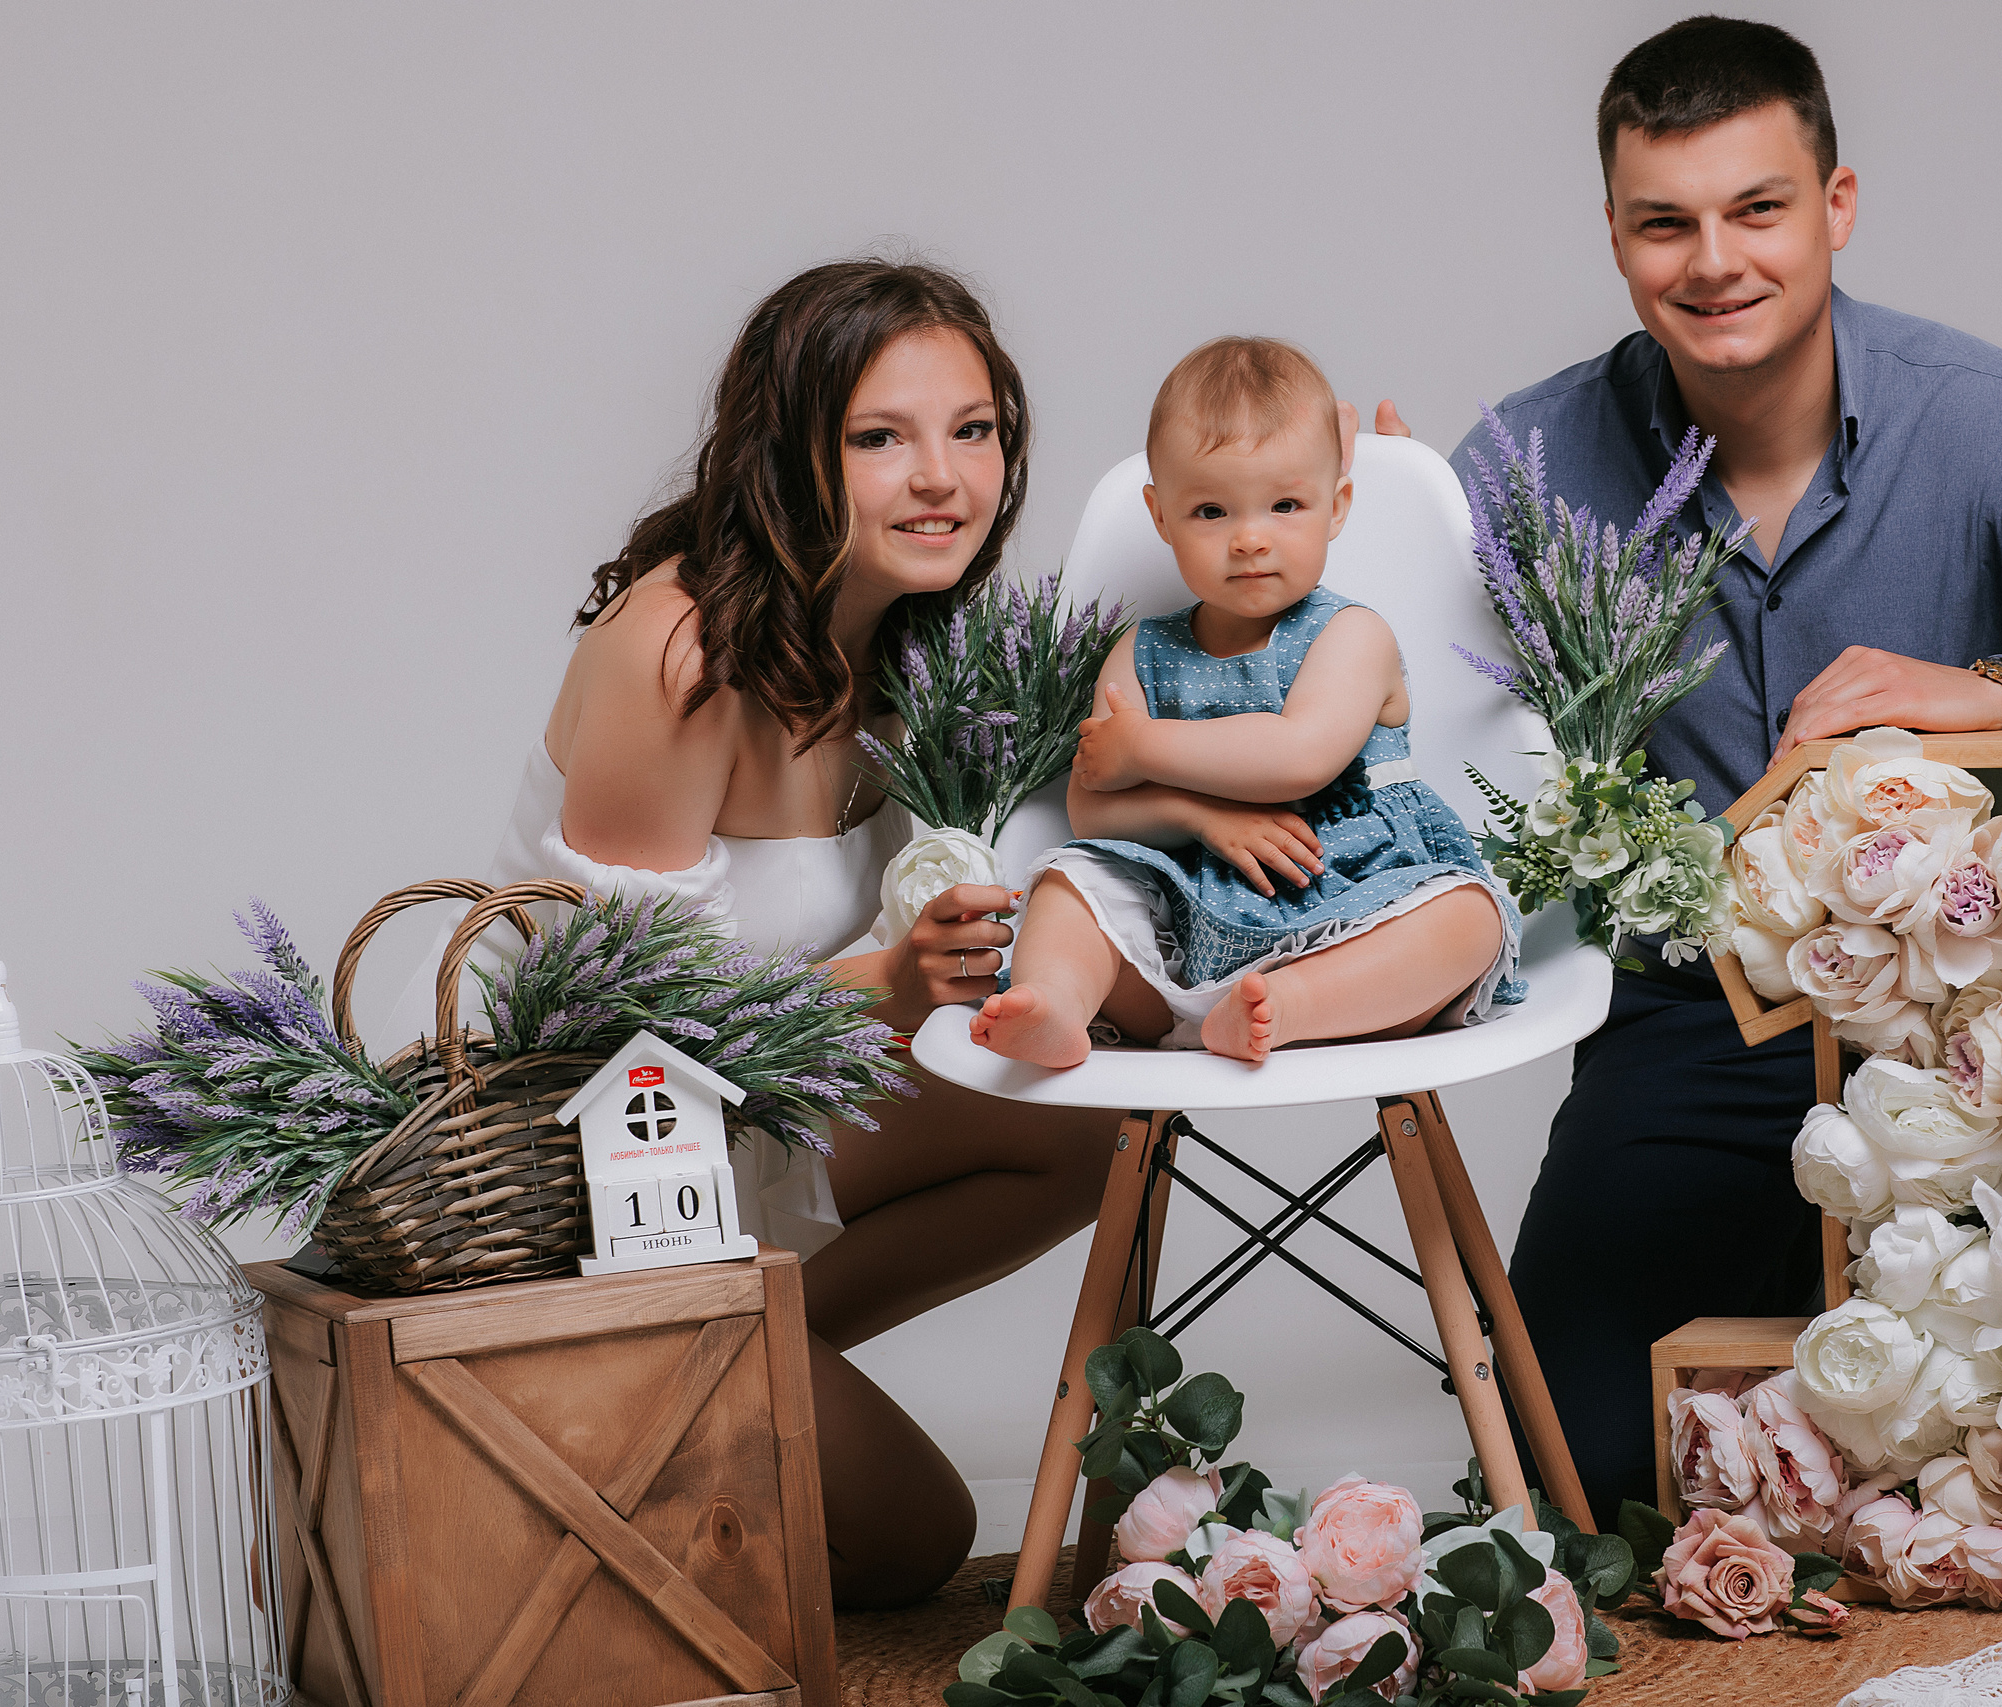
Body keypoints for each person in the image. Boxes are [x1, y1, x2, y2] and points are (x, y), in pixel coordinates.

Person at [1382, 16, 2002, 1517]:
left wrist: (1999, 695)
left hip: (1969, 1017)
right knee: (1568, 1476)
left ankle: (1896, 1326)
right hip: (1688, 1026)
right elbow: (1399, 741)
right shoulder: (1524, 460)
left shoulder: (1999, 425)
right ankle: (1815, 1343)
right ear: (1614, 235)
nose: (1713, 260)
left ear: (1836, 206)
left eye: (1758, 209)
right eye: (1665, 222)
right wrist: (1358, 548)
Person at [495, 260, 1114, 1605]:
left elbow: (1127, 750)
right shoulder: (680, 651)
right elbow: (611, 1038)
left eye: (975, 429)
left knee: (1077, 1132)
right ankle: (603, 1394)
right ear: (790, 456)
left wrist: (1344, 560)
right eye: (879, 437)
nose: (942, 476)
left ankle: (724, 1373)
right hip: (605, 1188)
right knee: (915, 1542)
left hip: (753, 1160)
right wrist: (886, 980)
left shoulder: (906, 650)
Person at [974, 337, 1522, 1068]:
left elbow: (1298, 756)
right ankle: (1055, 1002)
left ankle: (1293, 1006)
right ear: (1161, 516)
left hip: (1355, 901)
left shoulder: (1352, 635)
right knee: (1070, 880)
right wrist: (1201, 816)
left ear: (1337, 507)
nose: (1251, 539)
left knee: (1469, 918)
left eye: (1286, 504)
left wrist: (1142, 749)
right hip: (1187, 925)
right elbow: (1092, 809)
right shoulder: (1141, 650)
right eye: (1210, 511)